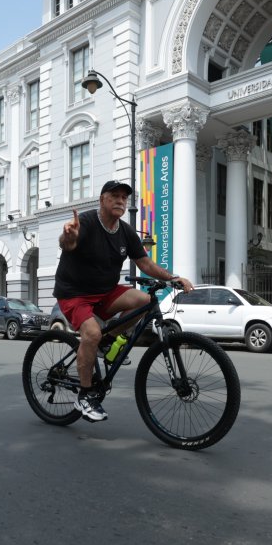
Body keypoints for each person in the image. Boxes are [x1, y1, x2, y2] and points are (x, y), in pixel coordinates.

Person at [55, 180, 194, 422]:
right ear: (102, 200)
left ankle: (105, 342)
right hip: (74, 293)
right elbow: (68, 243)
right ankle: (85, 395)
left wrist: (173, 278)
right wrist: (69, 237)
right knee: (90, 332)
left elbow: (145, 263)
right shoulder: (86, 222)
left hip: (105, 291)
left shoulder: (126, 231)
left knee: (144, 300)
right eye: (115, 196)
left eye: (124, 197)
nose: (121, 200)